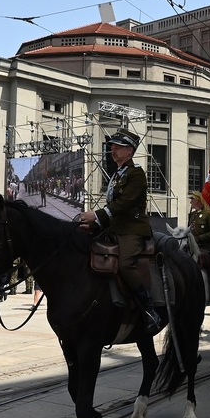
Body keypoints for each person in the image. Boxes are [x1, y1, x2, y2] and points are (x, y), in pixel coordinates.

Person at [78, 129, 160, 334]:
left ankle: (149, 310)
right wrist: (93, 226)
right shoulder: (117, 174)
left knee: (124, 264)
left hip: (132, 229)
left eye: (117, 146)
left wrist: (96, 216)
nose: (112, 149)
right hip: (115, 227)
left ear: (129, 150)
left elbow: (124, 204)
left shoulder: (136, 174)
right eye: (112, 146)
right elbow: (113, 208)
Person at [187, 191, 210, 304]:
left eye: (193, 199)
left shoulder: (209, 213)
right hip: (193, 248)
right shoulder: (192, 215)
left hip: (207, 248)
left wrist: (199, 238)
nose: (191, 201)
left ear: (199, 201)